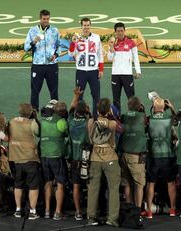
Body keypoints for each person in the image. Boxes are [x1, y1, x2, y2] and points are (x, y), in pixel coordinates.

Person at [86, 98, 121, 227]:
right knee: (113, 188)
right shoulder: (111, 123)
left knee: (93, 188)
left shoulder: (91, 121)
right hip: (110, 158)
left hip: (95, 158)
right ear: (108, 109)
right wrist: (112, 115)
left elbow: (90, 139)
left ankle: (91, 217)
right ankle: (112, 218)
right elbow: (121, 129)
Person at [142, 97, 178, 219]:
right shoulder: (168, 119)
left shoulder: (149, 119)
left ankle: (149, 212)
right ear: (164, 107)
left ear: (153, 107)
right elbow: (177, 120)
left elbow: (144, 131)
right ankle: (173, 209)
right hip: (167, 155)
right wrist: (172, 107)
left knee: (151, 183)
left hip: (153, 156)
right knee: (171, 183)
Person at [8, 103, 40, 220]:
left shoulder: (11, 121)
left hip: (16, 159)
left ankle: (18, 209)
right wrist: (36, 119)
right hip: (30, 158)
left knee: (18, 184)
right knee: (33, 186)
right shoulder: (32, 123)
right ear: (30, 112)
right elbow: (38, 133)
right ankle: (32, 211)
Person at [24, 9, 60, 111]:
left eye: (48, 19)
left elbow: (59, 46)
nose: (46, 21)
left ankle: (56, 112)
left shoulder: (55, 30)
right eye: (44, 19)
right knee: (35, 92)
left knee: (54, 92)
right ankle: (34, 114)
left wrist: (55, 55)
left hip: (52, 65)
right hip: (37, 65)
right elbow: (26, 47)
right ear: (40, 18)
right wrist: (33, 41)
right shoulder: (32, 31)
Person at [69, 17, 104, 118]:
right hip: (81, 71)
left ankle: (95, 117)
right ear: (81, 26)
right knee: (79, 96)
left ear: (90, 26)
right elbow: (71, 54)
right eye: (84, 25)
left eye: (88, 25)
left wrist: (101, 69)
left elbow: (100, 54)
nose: (86, 27)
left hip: (93, 71)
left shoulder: (96, 37)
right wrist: (73, 42)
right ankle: (80, 116)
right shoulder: (76, 38)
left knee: (96, 96)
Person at [40, 100, 68, 221]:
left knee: (48, 182)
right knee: (60, 184)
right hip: (56, 156)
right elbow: (66, 134)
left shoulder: (43, 121)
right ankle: (57, 212)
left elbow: (37, 133)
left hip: (44, 155)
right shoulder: (61, 122)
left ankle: (46, 211)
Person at [67, 87, 91, 220]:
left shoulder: (70, 121)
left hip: (74, 160)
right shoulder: (89, 122)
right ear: (86, 110)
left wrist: (75, 97)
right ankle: (90, 210)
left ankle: (78, 212)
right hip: (87, 160)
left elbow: (71, 110)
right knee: (90, 185)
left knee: (76, 186)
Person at [107, 22, 141, 113]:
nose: (120, 33)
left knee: (131, 99)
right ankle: (117, 118)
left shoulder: (131, 43)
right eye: (118, 31)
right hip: (115, 75)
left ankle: (133, 117)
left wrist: (138, 71)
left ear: (124, 31)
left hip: (127, 75)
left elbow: (136, 58)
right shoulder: (112, 43)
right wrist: (111, 48)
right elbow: (109, 59)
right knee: (116, 99)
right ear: (115, 32)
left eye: (122, 31)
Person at [120, 96, 147, 211]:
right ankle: (137, 211)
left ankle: (129, 208)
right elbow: (145, 123)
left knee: (127, 183)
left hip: (124, 155)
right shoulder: (142, 116)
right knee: (139, 184)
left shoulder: (123, 116)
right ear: (139, 106)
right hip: (136, 157)